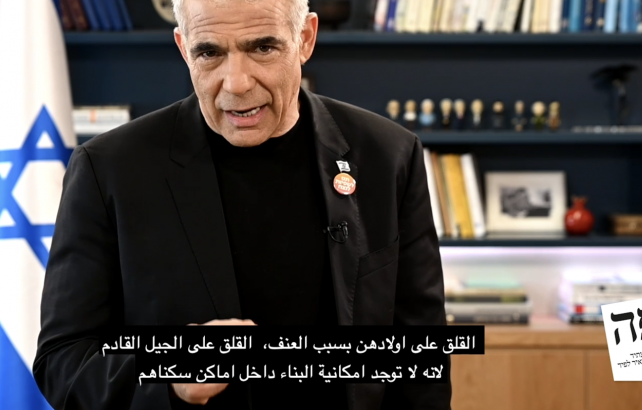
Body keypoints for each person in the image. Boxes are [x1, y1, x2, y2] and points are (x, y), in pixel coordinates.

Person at [33, 0, 451, 408]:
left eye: (263, 48)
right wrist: (169, 376)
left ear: (305, 39)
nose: (236, 83)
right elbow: (63, 362)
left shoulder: (389, 155)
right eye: (209, 53)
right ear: (184, 49)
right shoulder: (108, 169)